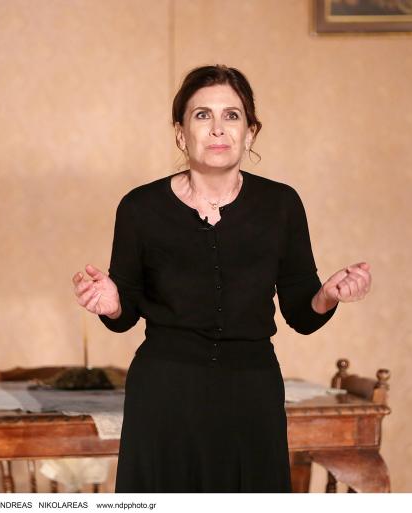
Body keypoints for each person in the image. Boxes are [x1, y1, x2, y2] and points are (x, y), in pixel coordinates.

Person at [71, 65, 372, 492]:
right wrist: (114, 304)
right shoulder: (140, 208)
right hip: (164, 396)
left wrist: (327, 295)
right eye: (202, 115)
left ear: (250, 133)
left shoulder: (281, 205)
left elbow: (301, 313)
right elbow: (126, 314)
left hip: (252, 395)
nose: (218, 128)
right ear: (181, 134)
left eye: (232, 115)